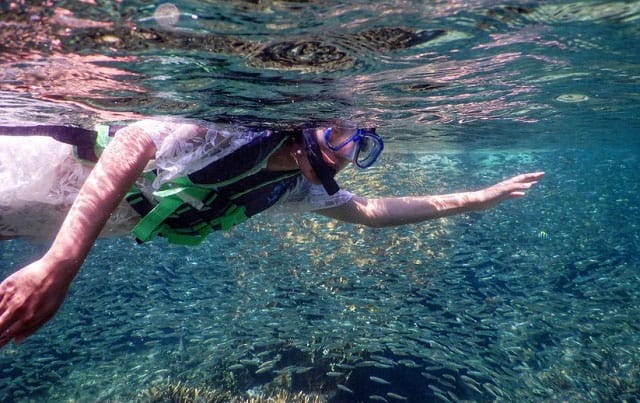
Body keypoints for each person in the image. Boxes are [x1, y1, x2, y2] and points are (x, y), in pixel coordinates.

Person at [0, 119, 544, 348]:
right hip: (30, 172)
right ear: (304, 123)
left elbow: (373, 211)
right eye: (340, 134)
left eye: (363, 146)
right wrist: (61, 262)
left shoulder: (294, 188)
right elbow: (132, 143)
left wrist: (478, 198)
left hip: (35, 217)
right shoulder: (229, 131)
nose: (347, 154)